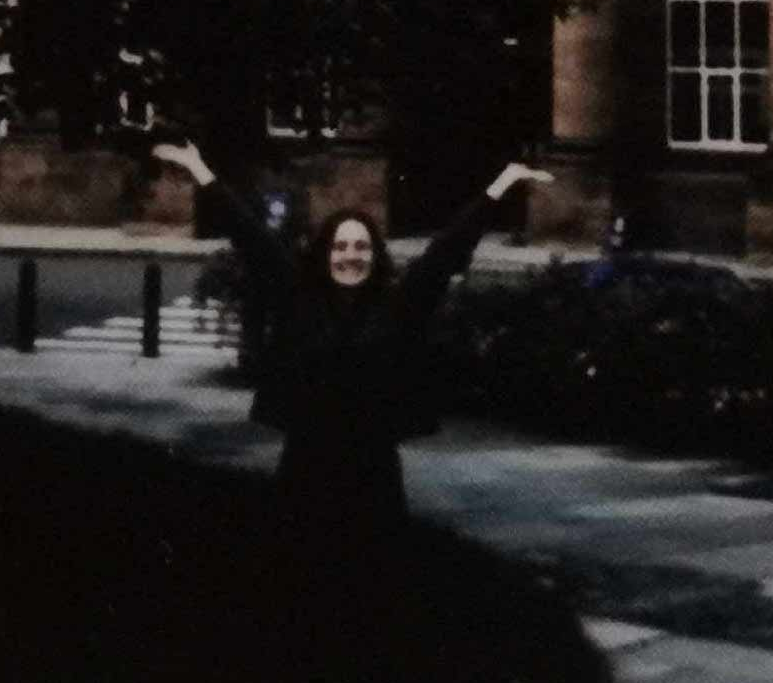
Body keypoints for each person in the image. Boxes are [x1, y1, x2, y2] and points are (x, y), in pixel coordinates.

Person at [151, 139, 548, 545]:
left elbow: (447, 250)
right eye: (340, 246)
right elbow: (251, 238)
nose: (350, 255)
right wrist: (200, 170)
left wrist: (502, 183)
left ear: (375, 255)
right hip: (305, 471)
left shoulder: (398, 304)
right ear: (325, 254)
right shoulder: (298, 298)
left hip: (374, 477)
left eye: (361, 246)